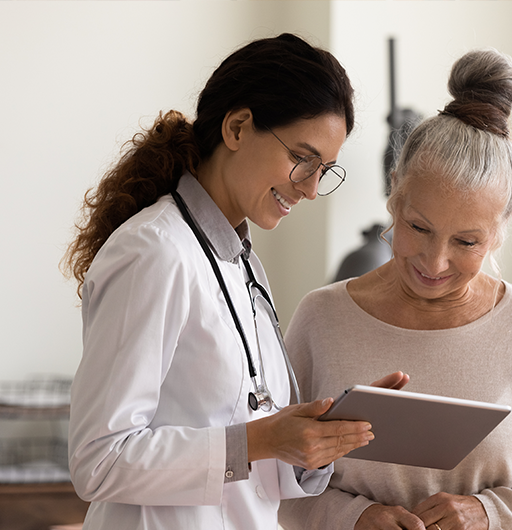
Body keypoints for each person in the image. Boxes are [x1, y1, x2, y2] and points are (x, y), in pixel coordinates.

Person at [278, 49, 512, 530]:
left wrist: (491, 514)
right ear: (394, 194)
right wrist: (353, 518)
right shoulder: (322, 317)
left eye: (466, 241)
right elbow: (274, 479)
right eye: (417, 227)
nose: (434, 262)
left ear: (500, 230)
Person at [62, 33, 387, 530]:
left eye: (324, 171)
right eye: (302, 158)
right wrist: (260, 440)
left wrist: (315, 441)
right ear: (237, 127)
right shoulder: (155, 252)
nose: (310, 189)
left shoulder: (243, 266)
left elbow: (248, 469)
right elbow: (99, 461)